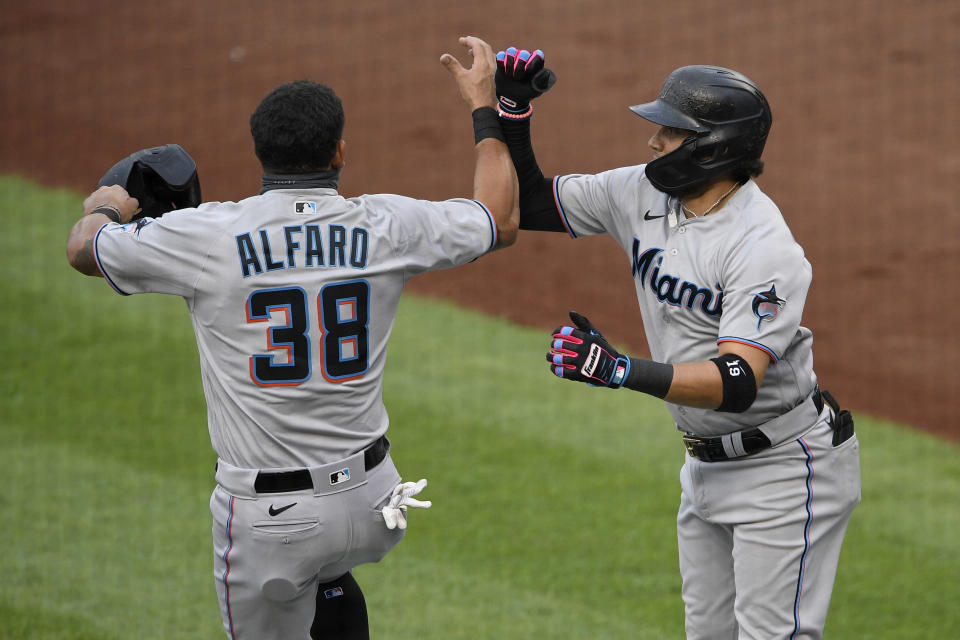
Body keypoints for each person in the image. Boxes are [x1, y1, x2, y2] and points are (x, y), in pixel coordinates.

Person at [66, 36, 517, 640]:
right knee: (329, 577)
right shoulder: (388, 225)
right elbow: (499, 216)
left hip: (270, 521)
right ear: (339, 151)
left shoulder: (205, 235)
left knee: (295, 578)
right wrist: (485, 108)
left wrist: (106, 206)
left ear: (259, 152)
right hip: (372, 499)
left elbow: (81, 250)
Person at [492, 47, 860, 639]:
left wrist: (619, 370)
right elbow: (529, 203)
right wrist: (510, 115)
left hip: (785, 470)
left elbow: (738, 382)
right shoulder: (642, 193)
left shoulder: (763, 246)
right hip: (704, 466)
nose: (654, 141)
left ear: (715, 145)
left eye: (671, 130)